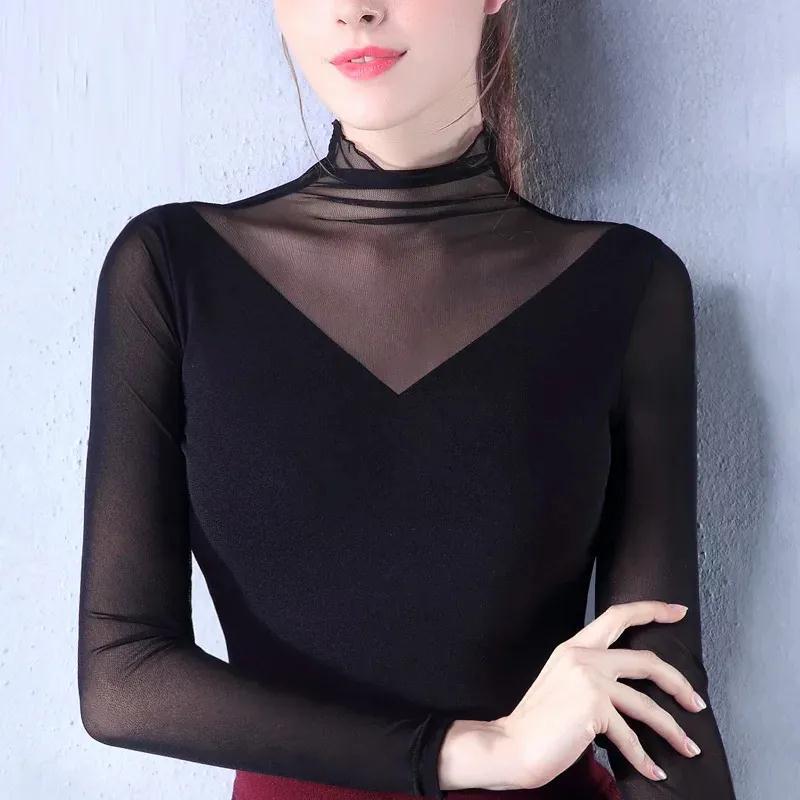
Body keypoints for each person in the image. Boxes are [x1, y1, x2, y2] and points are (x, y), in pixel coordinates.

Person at [77, 1, 738, 798]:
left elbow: (661, 698)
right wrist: (480, 750)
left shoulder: (625, 285)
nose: (356, 10)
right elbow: (121, 676)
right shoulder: (174, 272)